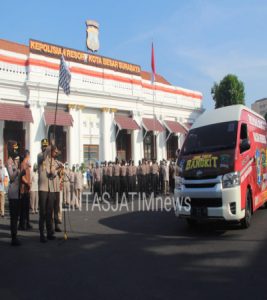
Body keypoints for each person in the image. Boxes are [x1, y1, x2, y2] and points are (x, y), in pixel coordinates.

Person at [37, 139, 57, 243]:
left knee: (50, 212)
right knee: (43, 212)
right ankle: (42, 234)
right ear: (42, 147)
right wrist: (49, 147)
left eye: (46, 146)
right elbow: (43, 156)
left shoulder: (52, 160)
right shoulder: (40, 156)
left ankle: (50, 232)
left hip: (51, 188)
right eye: (44, 146)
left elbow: (54, 172)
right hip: (43, 188)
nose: (45, 147)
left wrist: (53, 173)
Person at [6, 141, 21, 246]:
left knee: (16, 216)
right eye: (14, 149)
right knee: (13, 217)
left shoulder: (15, 161)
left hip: (18, 192)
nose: (16, 151)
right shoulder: (9, 162)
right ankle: (13, 238)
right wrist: (18, 171)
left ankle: (15, 235)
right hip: (12, 193)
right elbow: (11, 177)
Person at [19, 150, 32, 230]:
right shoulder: (23, 164)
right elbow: (22, 177)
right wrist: (27, 183)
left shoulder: (27, 164)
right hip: (23, 189)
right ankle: (22, 224)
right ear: (27, 156)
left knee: (26, 208)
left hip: (27, 189)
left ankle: (27, 223)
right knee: (23, 208)